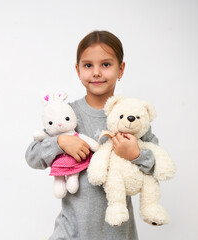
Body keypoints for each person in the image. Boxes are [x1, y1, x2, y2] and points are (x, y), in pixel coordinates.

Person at [25, 30, 158, 240]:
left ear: (121, 69)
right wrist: (60, 142)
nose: (96, 72)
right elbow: (32, 155)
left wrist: (136, 155)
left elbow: (158, 163)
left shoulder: (131, 117)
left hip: (118, 233)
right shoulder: (66, 114)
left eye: (106, 64)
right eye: (88, 65)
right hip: (71, 232)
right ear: (78, 70)